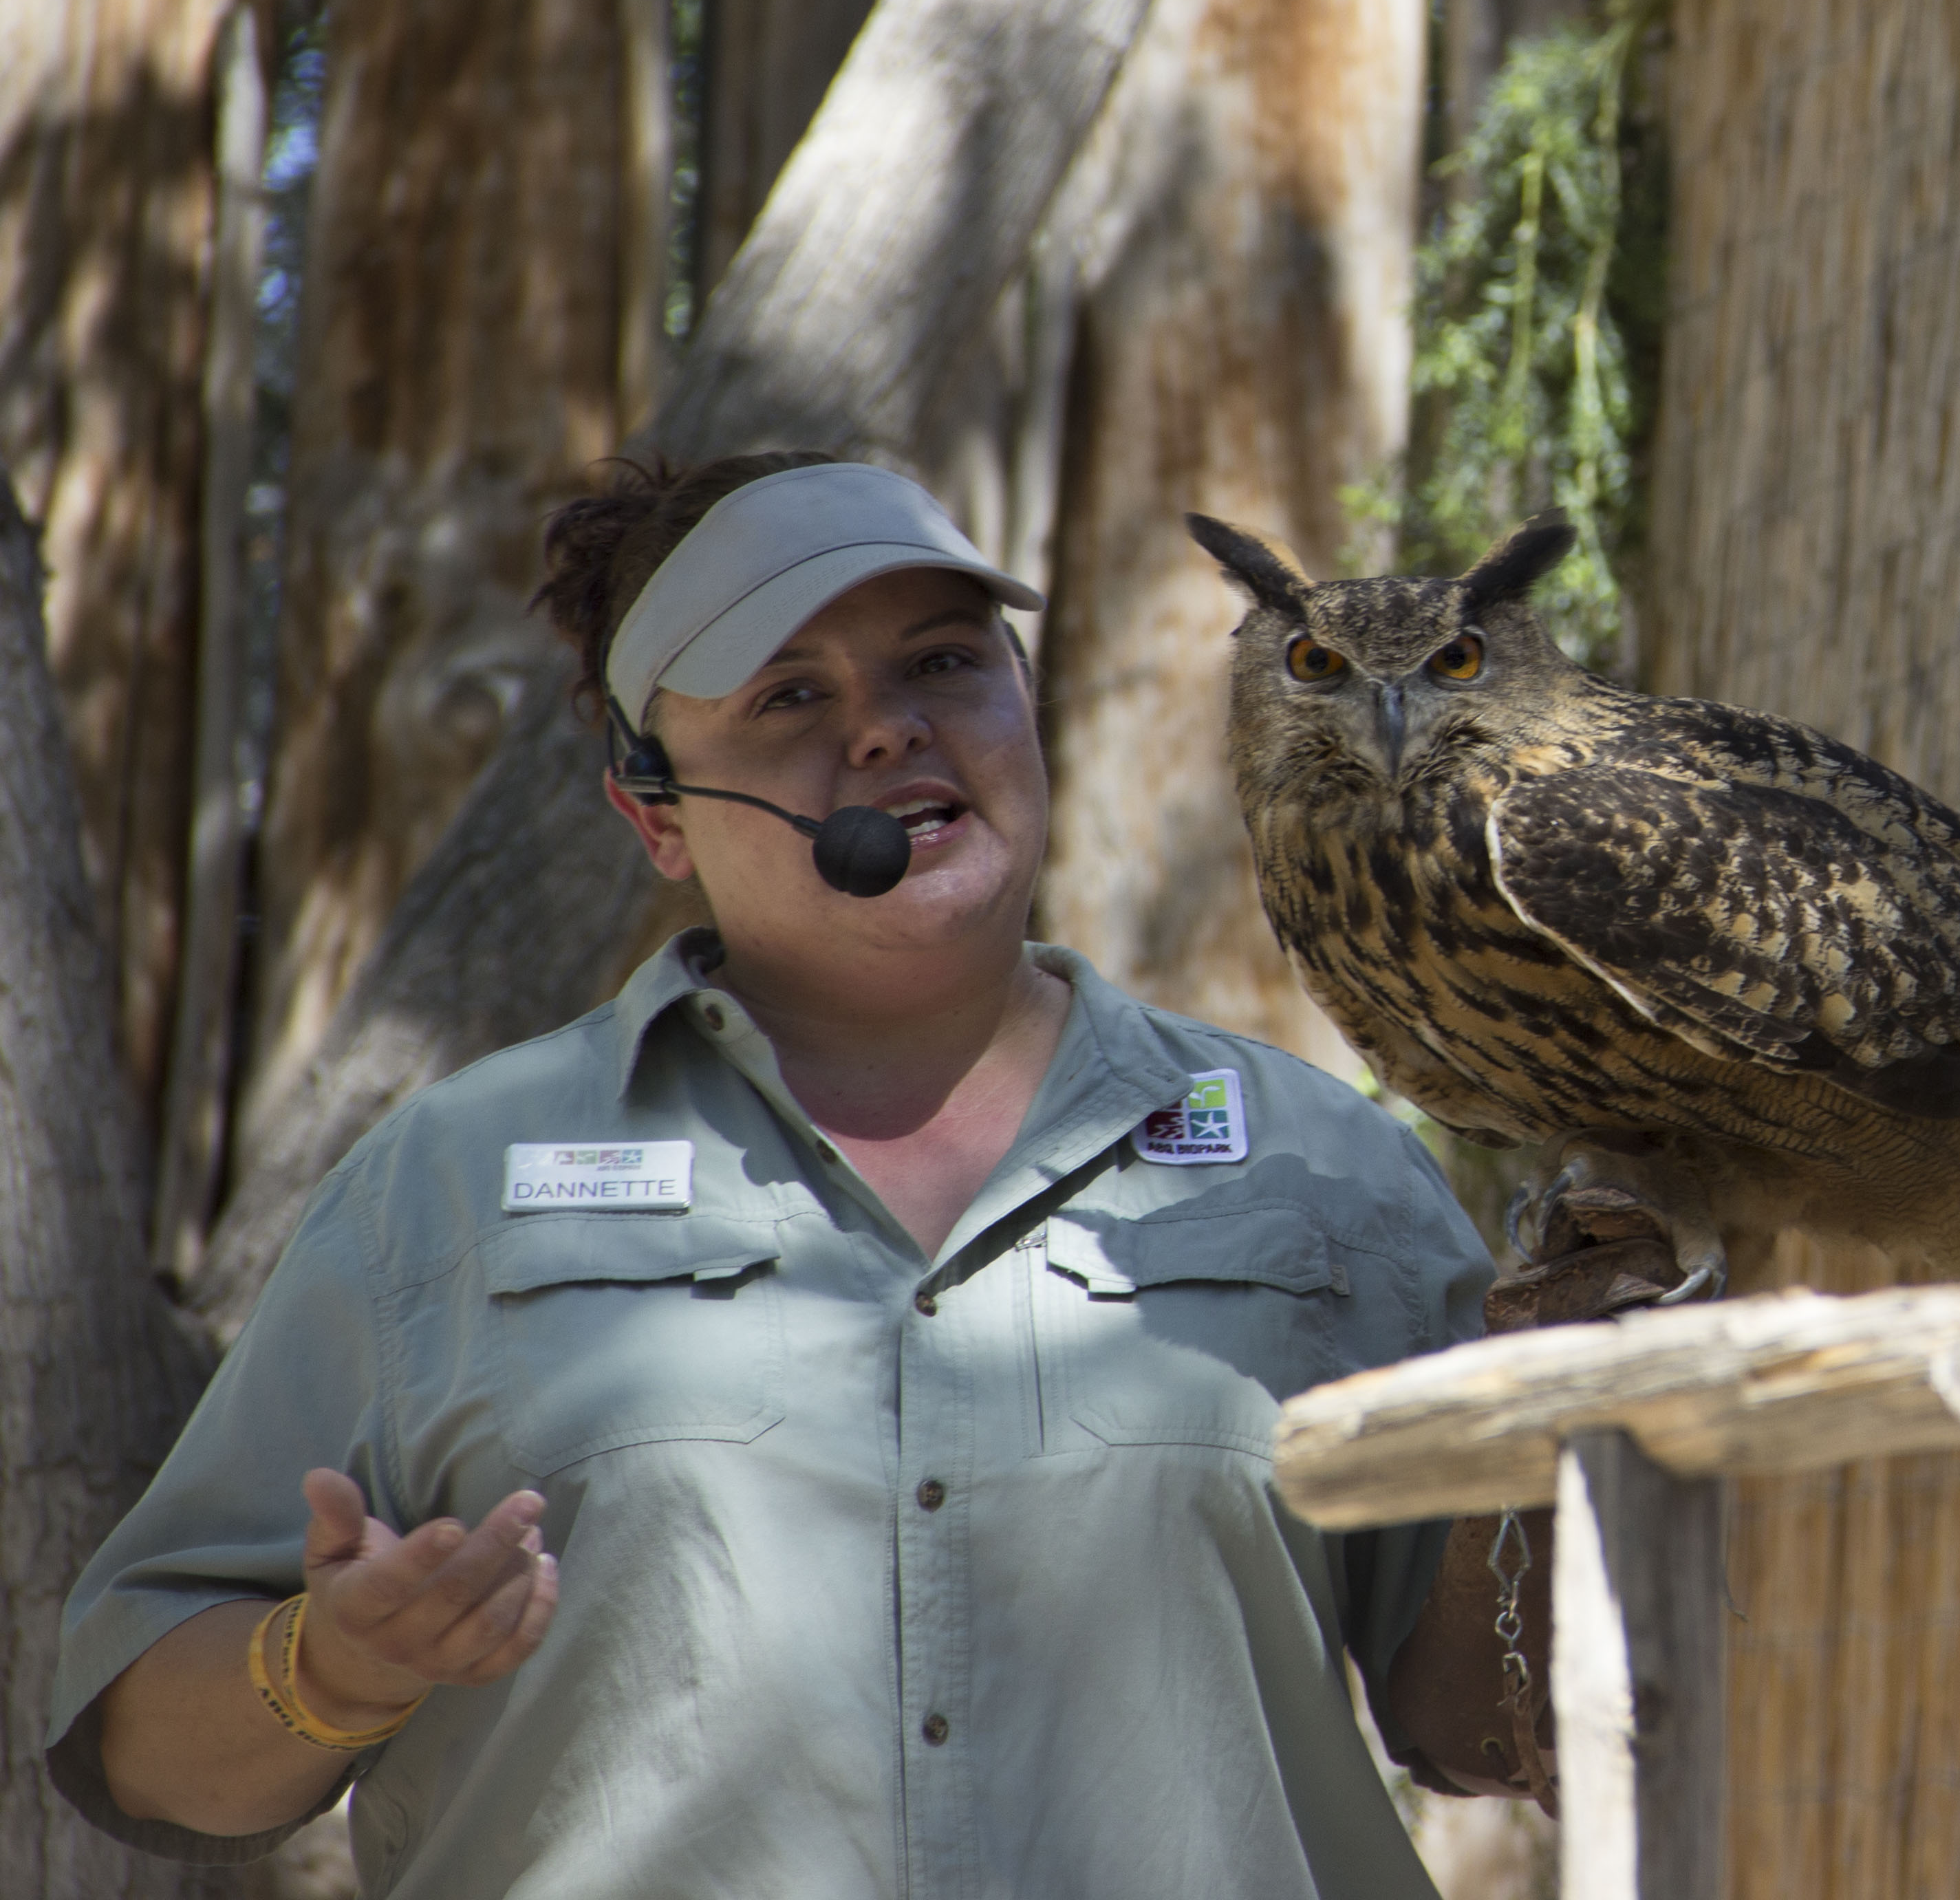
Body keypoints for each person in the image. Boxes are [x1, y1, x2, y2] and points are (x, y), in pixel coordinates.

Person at [45, 453, 1544, 1896]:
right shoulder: (447, 1186)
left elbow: (1486, 1722)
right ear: (656, 814)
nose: (888, 730)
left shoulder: (1324, 1161)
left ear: (1029, 709)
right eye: (791, 695)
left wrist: (1573, 1413)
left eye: (944, 664)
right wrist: (334, 1667)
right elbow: (157, 1761)